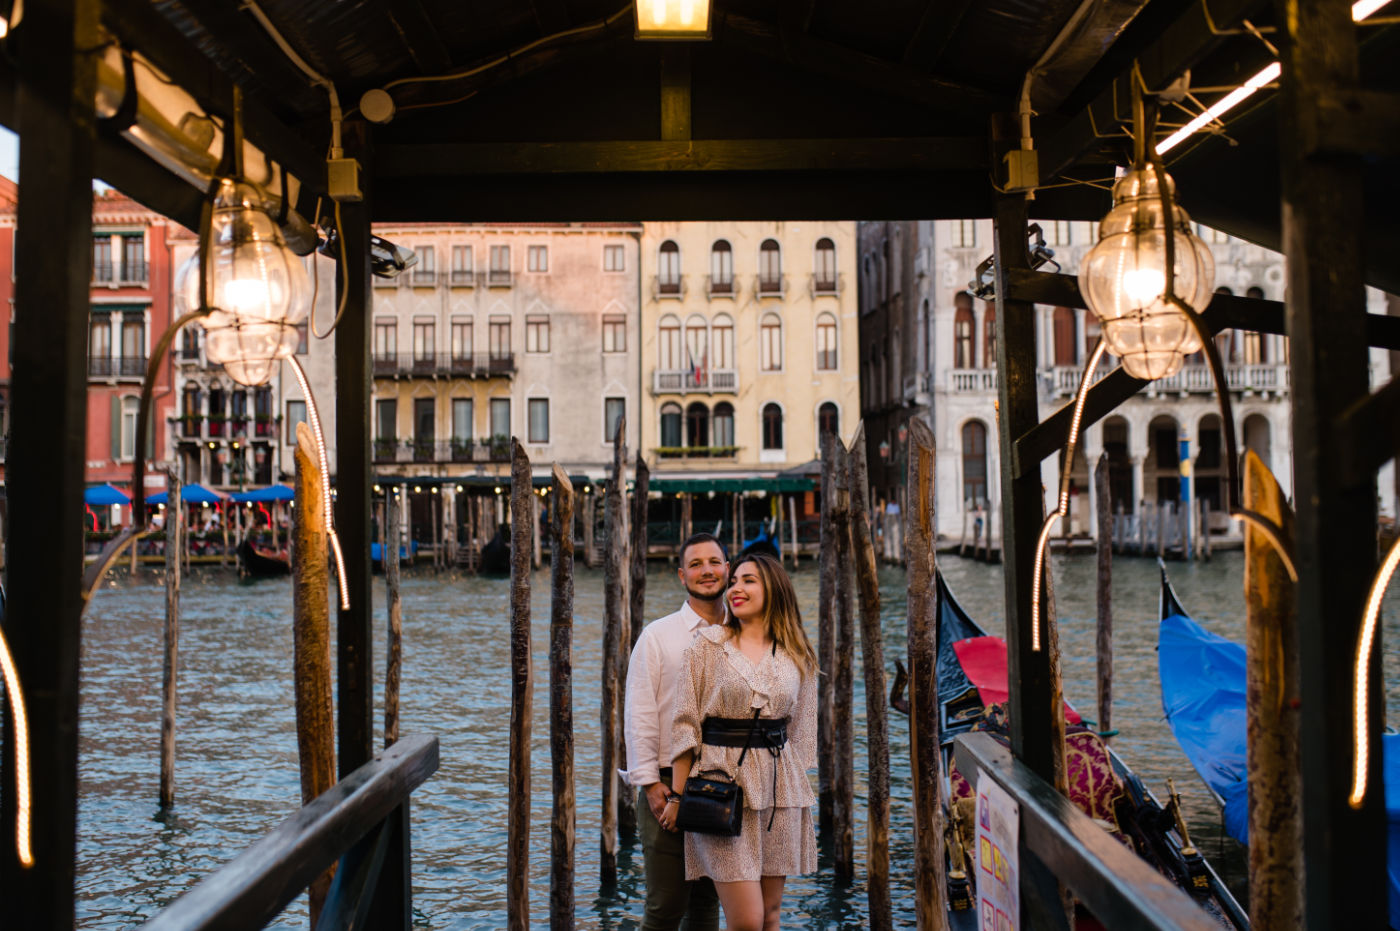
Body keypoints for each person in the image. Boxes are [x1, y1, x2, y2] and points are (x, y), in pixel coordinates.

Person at [663, 552, 818, 931]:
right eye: (735, 581)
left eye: (749, 580)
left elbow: (801, 733)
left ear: (774, 589)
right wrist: (678, 796)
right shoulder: (706, 646)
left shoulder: (797, 654)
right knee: (747, 921)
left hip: (780, 794)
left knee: (770, 917)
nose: (736, 588)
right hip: (719, 789)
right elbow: (685, 725)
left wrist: (790, 785)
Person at [622, 532, 728, 931]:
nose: (707, 571)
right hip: (667, 784)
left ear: (727, 569)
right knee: (665, 906)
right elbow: (640, 715)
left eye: (714, 562)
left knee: (707, 906)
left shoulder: (746, 633)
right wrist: (649, 784)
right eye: (696, 564)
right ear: (682, 575)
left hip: (726, 783)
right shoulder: (658, 636)